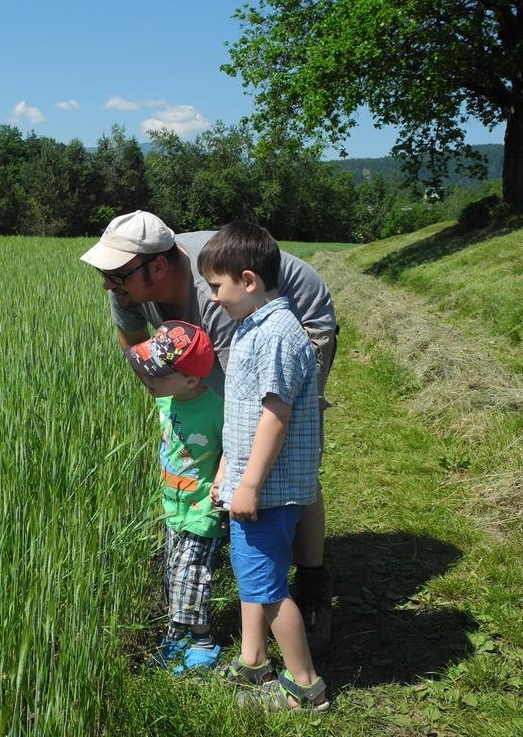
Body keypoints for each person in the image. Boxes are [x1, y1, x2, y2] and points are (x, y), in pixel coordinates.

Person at [80, 211, 337, 651]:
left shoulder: (219, 299)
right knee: (231, 457)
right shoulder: (127, 284)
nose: (108, 283)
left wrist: (234, 477)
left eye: (114, 273)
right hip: (233, 319)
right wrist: (172, 410)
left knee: (284, 453)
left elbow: (243, 412)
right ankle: (238, 552)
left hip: (301, 316)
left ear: (156, 267)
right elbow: (135, 345)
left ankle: (310, 582)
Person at [199, 220, 328, 711]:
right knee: (254, 575)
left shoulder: (274, 334)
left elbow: (274, 415)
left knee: (270, 588)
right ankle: (254, 662)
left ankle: (305, 687)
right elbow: (243, 416)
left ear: (249, 281)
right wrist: (226, 475)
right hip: (254, 485)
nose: (211, 298)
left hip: (268, 491)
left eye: (216, 286)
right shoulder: (254, 325)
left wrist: (248, 485)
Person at [125, 320, 227, 673]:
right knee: (173, 574)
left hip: (202, 511)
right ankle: (177, 632)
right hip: (172, 508)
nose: (150, 380)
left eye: (158, 374)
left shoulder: (216, 410)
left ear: (191, 380)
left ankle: (203, 639)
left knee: (191, 575)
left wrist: (222, 486)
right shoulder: (167, 400)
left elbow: (232, 449)